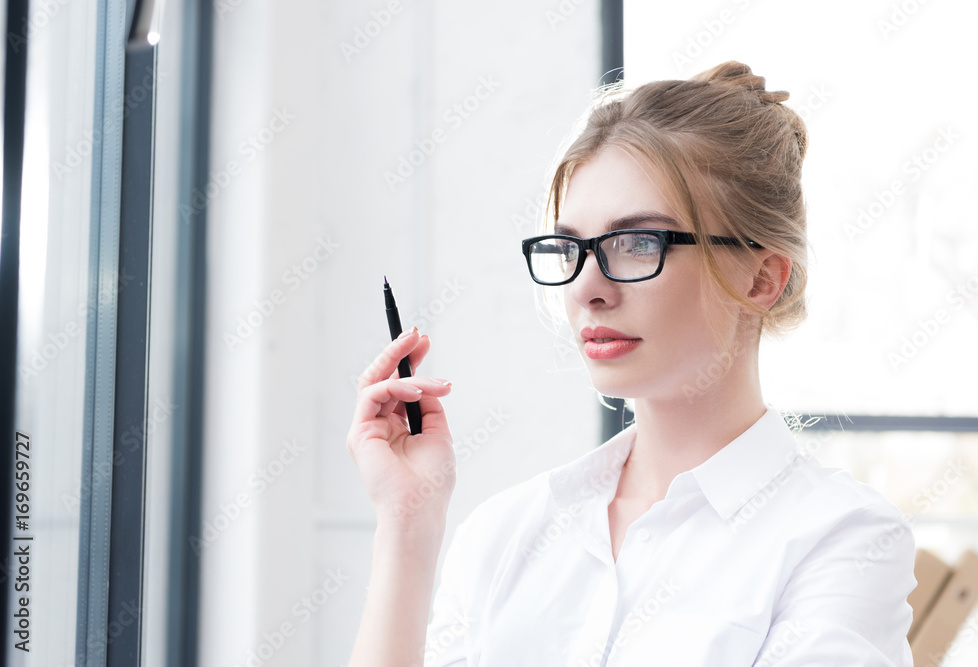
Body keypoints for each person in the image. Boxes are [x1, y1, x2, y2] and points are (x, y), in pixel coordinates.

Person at [346, 61, 917, 667]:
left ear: (761, 278)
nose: (587, 286)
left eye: (639, 242)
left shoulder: (840, 538)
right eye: (569, 247)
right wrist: (408, 526)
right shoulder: (505, 533)